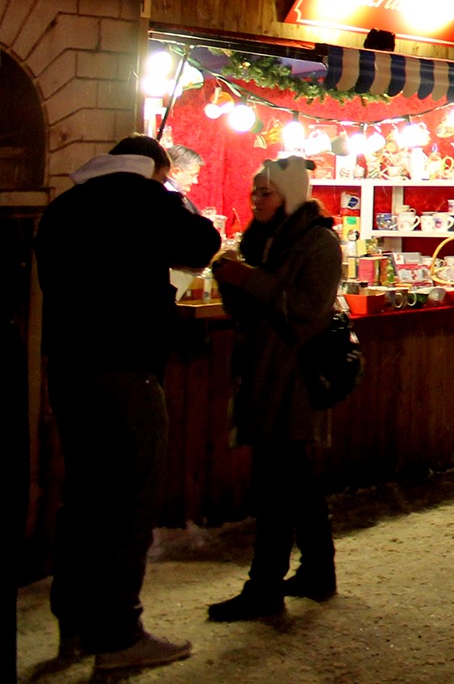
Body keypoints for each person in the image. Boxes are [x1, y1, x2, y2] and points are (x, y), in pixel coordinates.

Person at [34, 135, 221, 670]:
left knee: (83, 500)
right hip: (127, 371)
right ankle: (118, 635)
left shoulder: (65, 207)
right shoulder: (149, 199)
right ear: (157, 169)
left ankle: (74, 627)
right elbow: (202, 243)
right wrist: (167, 192)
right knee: (126, 503)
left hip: (69, 372)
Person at [207, 158, 345, 621]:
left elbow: (307, 308)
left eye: (265, 192)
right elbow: (247, 308)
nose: (256, 200)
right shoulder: (261, 239)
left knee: (277, 482)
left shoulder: (318, 242)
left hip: (293, 374)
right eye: (254, 193)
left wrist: (248, 278)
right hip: (261, 368)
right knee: (294, 477)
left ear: (289, 194)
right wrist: (230, 279)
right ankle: (318, 570)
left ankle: (264, 586)